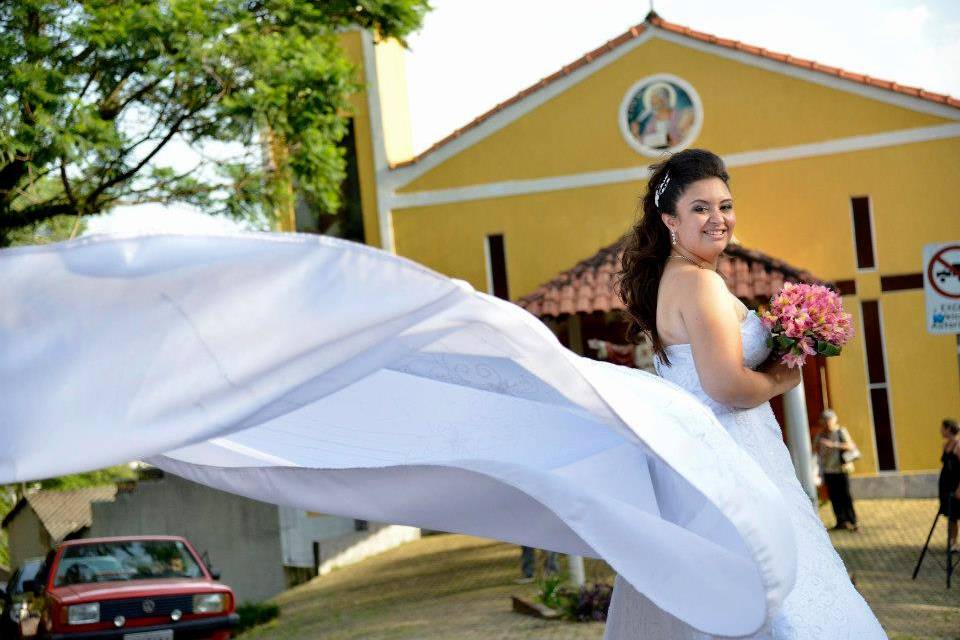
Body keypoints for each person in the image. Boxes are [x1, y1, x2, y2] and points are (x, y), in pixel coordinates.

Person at [604, 149, 884, 638]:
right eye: (701, 208)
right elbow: (726, 386)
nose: (719, 219)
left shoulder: (675, 281)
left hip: (710, 454)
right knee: (777, 586)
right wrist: (783, 376)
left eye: (725, 205)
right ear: (670, 220)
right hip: (735, 455)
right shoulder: (699, 285)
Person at [815, 409, 859, 531]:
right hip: (828, 471)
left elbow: (850, 446)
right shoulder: (821, 435)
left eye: (829, 420)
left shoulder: (841, 431)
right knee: (834, 498)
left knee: (846, 496)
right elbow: (815, 450)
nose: (827, 423)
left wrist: (833, 445)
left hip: (841, 469)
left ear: (834, 420)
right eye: (824, 421)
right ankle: (841, 522)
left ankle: (853, 522)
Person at [938, 418, 960, 552]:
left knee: (958, 513)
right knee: (952, 515)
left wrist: (959, 488)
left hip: (956, 484)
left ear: (948, 429)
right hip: (947, 484)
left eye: (942, 428)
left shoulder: (958, 446)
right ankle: (953, 543)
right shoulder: (945, 445)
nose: (940, 431)